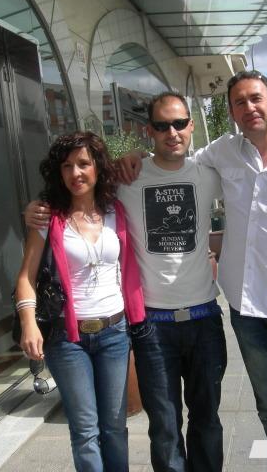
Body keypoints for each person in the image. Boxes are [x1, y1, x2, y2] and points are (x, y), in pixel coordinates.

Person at [120, 71, 267, 472]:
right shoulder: (222, 154)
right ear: (231, 112)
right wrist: (131, 155)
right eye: (239, 102)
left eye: (256, 98)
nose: (249, 107)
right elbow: (172, 160)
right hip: (247, 313)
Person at [24, 92, 227, 472]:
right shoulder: (126, 179)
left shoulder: (208, 174)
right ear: (149, 130)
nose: (172, 132)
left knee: (207, 420)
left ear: (191, 126)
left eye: (179, 123)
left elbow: (254, 169)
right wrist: (36, 209)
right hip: (152, 327)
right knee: (164, 427)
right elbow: (82, 183)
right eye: (162, 125)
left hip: (204, 319)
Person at [15, 131, 145, 472]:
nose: (76, 173)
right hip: (66, 338)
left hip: (115, 334)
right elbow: (26, 277)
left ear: (98, 167)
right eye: (67, 166)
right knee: (85, 430)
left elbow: (148, 156)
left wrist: (136, 151)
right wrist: (29, 324)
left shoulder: (116, 210)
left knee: (114, 426)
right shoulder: (48, 217)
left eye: (84, 164)